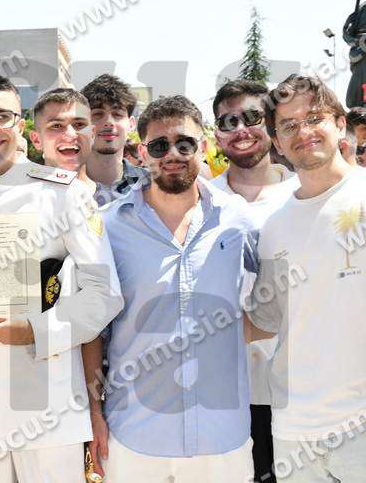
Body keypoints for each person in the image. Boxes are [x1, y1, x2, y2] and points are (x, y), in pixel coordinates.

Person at [0, 74, 123, 482]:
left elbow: (104, 293)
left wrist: (37, 331)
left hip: (49, 408)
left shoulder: (63, 193)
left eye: (3, 116)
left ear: (20, 125)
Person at [88, 95, 258, 482]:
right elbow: (92, 327)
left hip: (223, 438)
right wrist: (94, 413)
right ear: (140, 153)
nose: (173, 155)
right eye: (159, 146)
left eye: (184, 143)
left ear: (204, 146)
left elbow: (275, 302)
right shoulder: (107, 227)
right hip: (133, 438)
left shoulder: (238, 219)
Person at [246, 75, 366, 482]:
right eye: (289, 125)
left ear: (340, 124)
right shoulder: (275, 227)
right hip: (295, 430)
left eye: (314, 118)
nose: (303, 132)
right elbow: (266, 320)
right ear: (277, 143)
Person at [211, 79, 301, 483]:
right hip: (222, 391)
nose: (240, 129)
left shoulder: (304, 195)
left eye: (251, 117)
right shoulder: (200, 200)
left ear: (270, 124)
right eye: (228, 121)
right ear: (217, 135)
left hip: (297, 389)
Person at [81, 73, 149, 207]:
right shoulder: (59, 186)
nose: (109, 122)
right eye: (98, 114)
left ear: (131, 125)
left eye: (117, 114)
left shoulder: (151, 185)